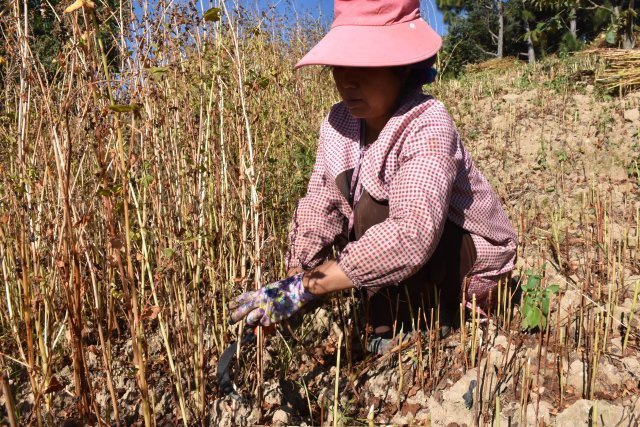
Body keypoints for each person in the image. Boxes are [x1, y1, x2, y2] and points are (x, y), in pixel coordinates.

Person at [230, 0, 518, 354]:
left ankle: (412, 323)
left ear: (402, 67)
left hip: (468, 263)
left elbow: (412, 234)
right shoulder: (339, 124)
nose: (347, 81)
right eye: (340, 66)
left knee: (372, 208)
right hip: (416, 260)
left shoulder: (427, 121)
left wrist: (311, 286)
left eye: (363, 67)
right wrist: (293, 279)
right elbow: (321, 204)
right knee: (354, 216)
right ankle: (396, 316)